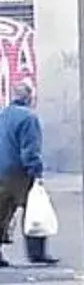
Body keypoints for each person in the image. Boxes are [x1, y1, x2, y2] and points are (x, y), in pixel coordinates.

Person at [0, 85, 51, 267]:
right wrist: (36, 171)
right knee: (34, 209)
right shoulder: (29, 118)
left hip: (1, 170)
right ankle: (36, 253)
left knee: (2, 212)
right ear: (30, 97)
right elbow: (30, 148)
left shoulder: (3, 115)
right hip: (19, 172)